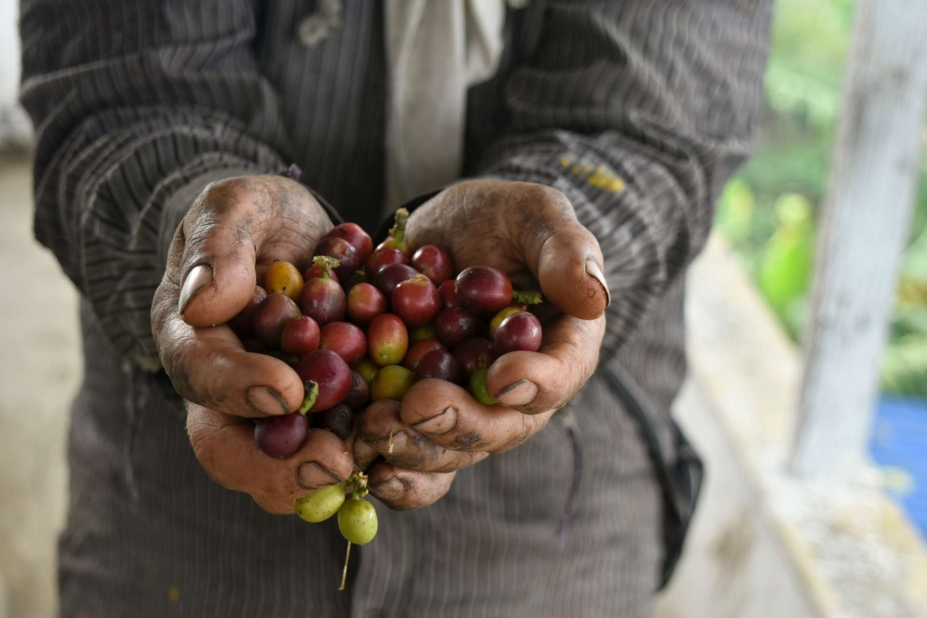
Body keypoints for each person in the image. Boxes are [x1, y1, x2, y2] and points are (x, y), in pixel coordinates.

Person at [20, 1, 771, 616]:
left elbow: (658, 116)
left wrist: (569, 233)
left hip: (552, 525)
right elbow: (117, 85)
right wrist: (195, 225)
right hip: (180, 519)